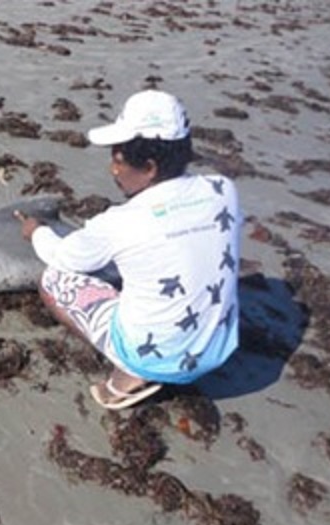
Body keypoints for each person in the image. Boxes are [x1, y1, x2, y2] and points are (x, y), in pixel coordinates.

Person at [15, 89, 241, 410]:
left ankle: (128, 377)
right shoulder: (224, 190)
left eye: (118, 161)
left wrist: (37, 231)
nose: (113, 170)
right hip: (218, 349)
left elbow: (61, 256)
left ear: (149, 167)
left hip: (155, 357)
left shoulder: (122, 221)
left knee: (53, 280)